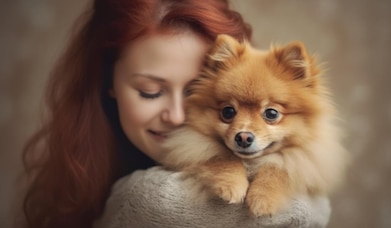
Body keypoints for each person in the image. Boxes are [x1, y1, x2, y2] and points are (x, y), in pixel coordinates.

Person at [17, 0, 331, 227]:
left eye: (196, 92)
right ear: (107, 80)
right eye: (150, 91)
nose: (179, 116)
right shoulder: (143, 198)